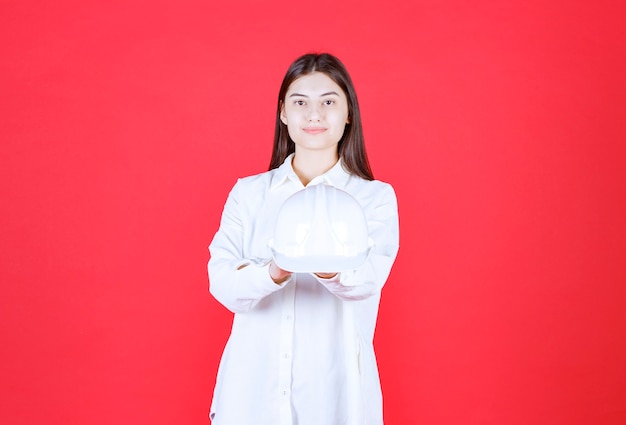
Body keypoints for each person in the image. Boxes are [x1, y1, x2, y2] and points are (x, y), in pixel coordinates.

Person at [207, 53, 400, 425]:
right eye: (300, 103)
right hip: (250, 396)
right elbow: (223, 283)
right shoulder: (249, 195)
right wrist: (275, 271)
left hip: (337, 399)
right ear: (283, 113)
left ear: (348, 114)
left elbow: (367, 281)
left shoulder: (374, 198)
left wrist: (327, 268)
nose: (314, 115)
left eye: (329, 102)